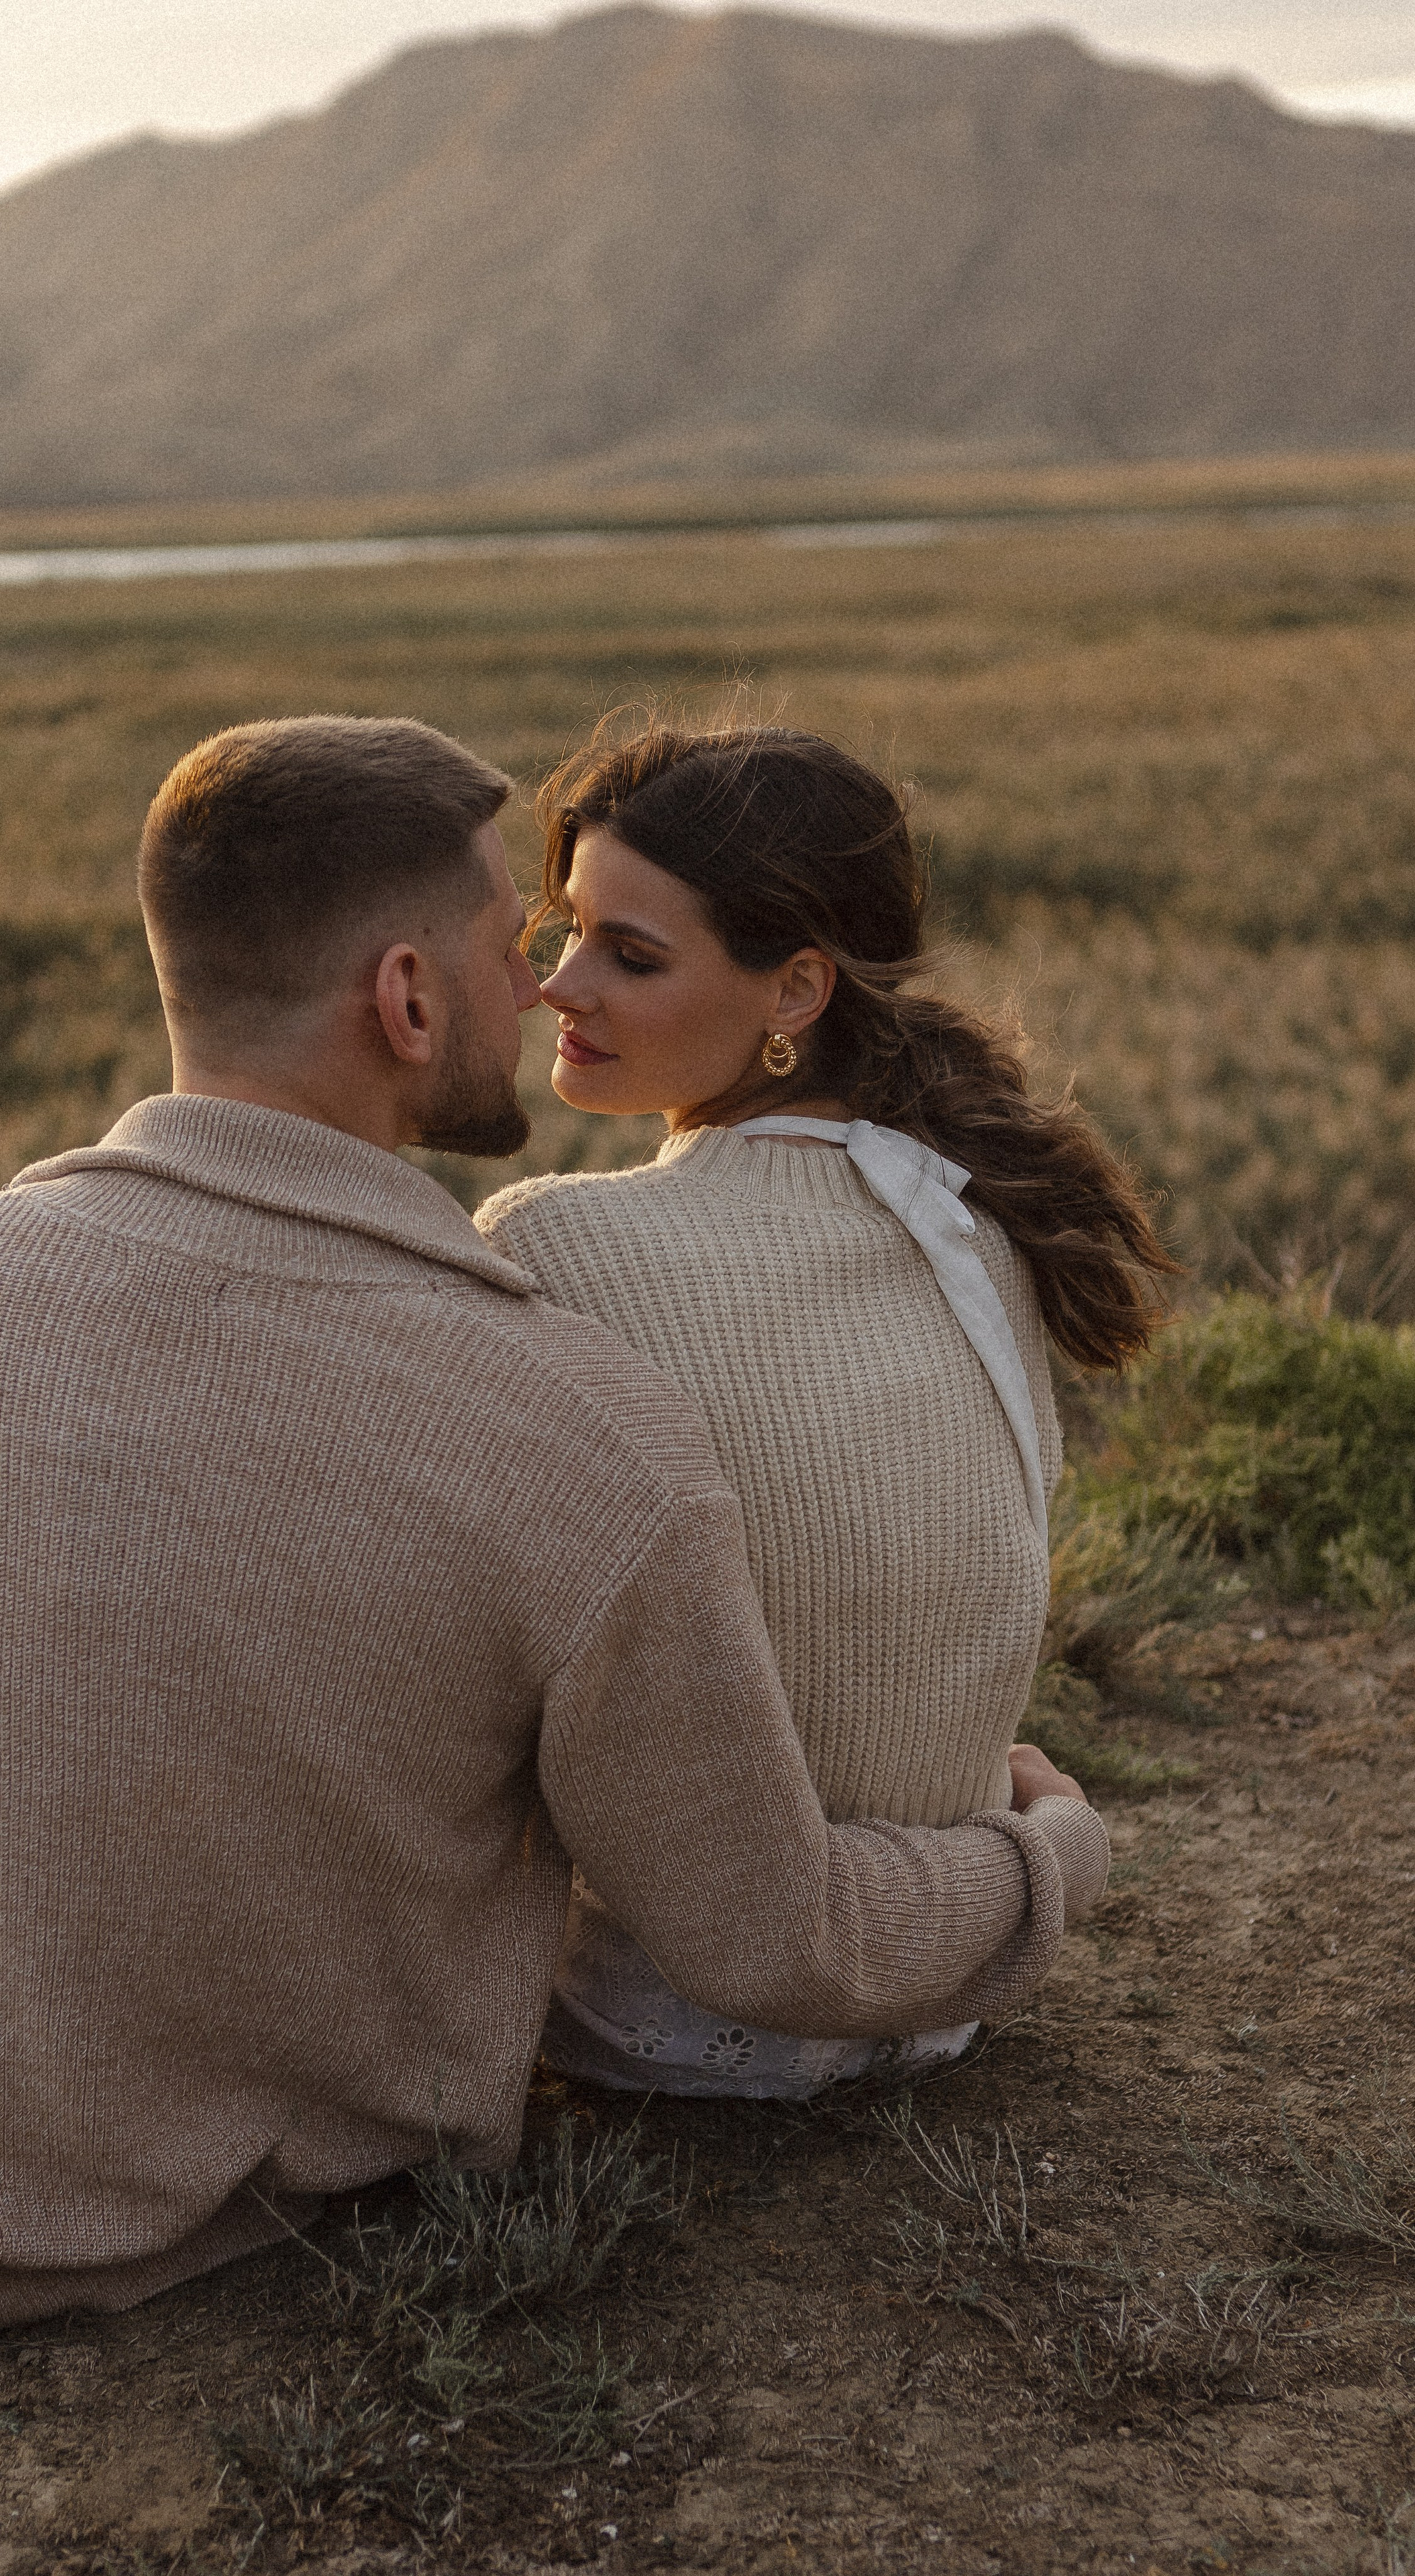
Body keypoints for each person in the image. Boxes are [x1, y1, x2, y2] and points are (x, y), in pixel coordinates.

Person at [0, 716, 1105, 2349]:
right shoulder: (563, 1417)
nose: (543, 991)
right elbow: (767, 1931)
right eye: (518, 946)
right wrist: (1043, 1862)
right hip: (283, 2174)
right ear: (407, 999)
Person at [476, 718, 1169, 2100]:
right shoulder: (971, 1223)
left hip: (650, 2023)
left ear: (793, 991)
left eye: (628, 952)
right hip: (947, 1991)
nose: (556, 987)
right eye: (562, 932)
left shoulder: (556, 1243)